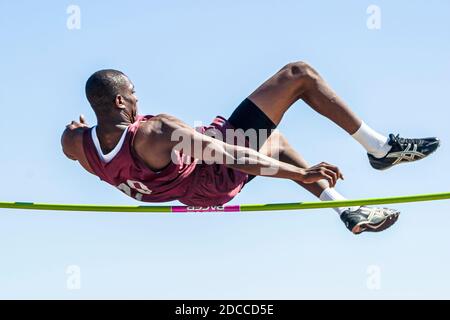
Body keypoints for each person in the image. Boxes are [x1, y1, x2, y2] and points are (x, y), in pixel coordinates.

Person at [61, 62, 440, 234]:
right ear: (120, 104)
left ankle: (346, 209)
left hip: (193, 191)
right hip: (215, 172)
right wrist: (299, 172)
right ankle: (379, 148)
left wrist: (78, 132)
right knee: (298, 75)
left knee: (274, 141)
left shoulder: (77, 144)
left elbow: (81, 151)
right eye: (133, 94)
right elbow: (231, 155)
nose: (138, 100)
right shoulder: (155, 133)